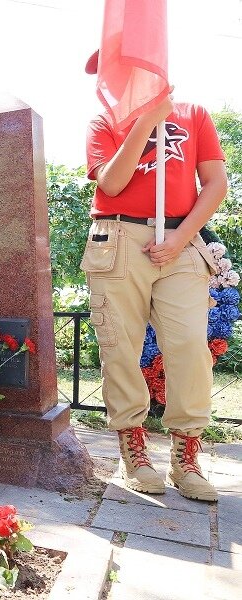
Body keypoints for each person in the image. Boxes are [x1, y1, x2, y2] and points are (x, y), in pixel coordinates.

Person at [83, 51, 227, 502]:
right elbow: (110, 183)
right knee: (120, 347)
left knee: (189, 346)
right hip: (118, 237)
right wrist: (146, 120)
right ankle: (134, 451)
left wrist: (181, 238)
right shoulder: (104, 121)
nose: (114, 76)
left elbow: (216, 183)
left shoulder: (193, 114)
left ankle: (186, 455)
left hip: (180, 240)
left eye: (123, 63)